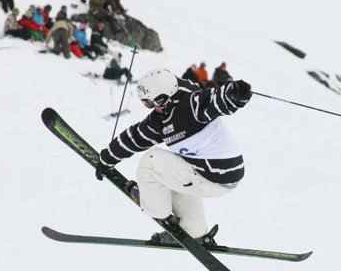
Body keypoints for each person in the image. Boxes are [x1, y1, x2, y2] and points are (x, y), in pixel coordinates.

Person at [96, 69, 253, 243]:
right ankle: (194, 231)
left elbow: (215, 100)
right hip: (219, 175)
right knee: (179, 171)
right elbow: (135, 137)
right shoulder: (161, 118)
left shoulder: (190, 105)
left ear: (162, 97)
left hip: (217, 174)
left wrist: (234, 92)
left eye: (148, 103)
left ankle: (157, 210)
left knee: (151, 161)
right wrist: (106, 159)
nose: (148, 107)